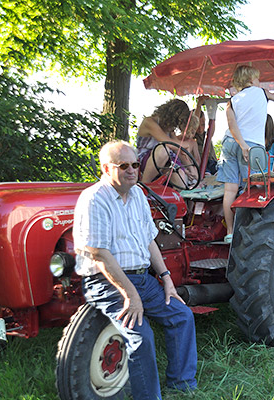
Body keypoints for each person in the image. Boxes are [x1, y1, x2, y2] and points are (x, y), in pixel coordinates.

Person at [73, 141, 198, 400]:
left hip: (140, 278)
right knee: (141, 337)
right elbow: (99, 253)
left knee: (182, 315)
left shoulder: (138, 195)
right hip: (107, 281)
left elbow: (149, 240)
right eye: (124, 166)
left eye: (135, 165)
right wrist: (131, 294)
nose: (132, 170)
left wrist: (166, 279)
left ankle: (182, 384)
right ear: (107, 169)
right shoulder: (94, 199)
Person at [218, 65, 274, 243]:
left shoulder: (232, 101)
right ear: (251, 80)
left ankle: (230, 231)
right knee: (255, 187)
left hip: (229, 142)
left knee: (230, 189)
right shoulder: (260, 92)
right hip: (251, 144)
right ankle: (251, 232)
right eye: (257, 78)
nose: (259, 82)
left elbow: (232, 125)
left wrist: (239, 144)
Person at [137, 99, 202, 186]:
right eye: (175, 124)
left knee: (181, 181)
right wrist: (188, 144)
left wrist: (190, 168)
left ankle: (177, 195)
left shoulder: (169, 128)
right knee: (163, 149)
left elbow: (178, 150)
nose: (174, 128)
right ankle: (144, 185)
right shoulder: (149, 122)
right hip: (147, 159)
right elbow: (170, 143)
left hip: (167, 161)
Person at [192, 97, 218, 175]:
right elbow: (194, 121)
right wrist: (199, 105)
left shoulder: (207, 134)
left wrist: (212, 111)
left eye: (203, 124)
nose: (200, 128)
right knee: (206, 173)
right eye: (198, 126)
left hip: (212, 162)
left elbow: (212, 127)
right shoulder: (192, 136)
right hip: (201, 164)